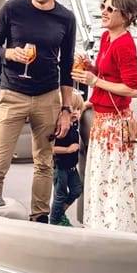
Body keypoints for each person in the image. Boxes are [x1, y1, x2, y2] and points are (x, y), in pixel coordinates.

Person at [0, 0, 77, 223]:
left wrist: (66, 109)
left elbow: (67, 66)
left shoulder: (66, 19)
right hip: (12, 95)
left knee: (44, 163)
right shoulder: (12, 8)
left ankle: (39, 219)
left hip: (48, 98)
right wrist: (10, 54)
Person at [71, 0, 137, 233]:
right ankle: (99, 225)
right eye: (103, 6)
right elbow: (108, 74)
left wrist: (94, 82)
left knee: (114, 178)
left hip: (116, 124)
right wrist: (90, 68)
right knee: (100, 176)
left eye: (111, 9)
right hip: (102, 120)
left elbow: (133, 89)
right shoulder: (106, 38)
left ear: (127, 16)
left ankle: (117, 229)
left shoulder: (124, 44)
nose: (104, 11)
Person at [50, 92, 84, 226]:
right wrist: (68, 150)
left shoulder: (74, 124)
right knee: (60, 195)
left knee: (76, 190)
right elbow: (50, 149)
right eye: (72, 109)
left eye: (78, 109)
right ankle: (54, 221)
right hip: (61, 167)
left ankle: (60, 214)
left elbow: (83, 106)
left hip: (72, 167)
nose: (75, 113)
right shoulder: (58, 128)